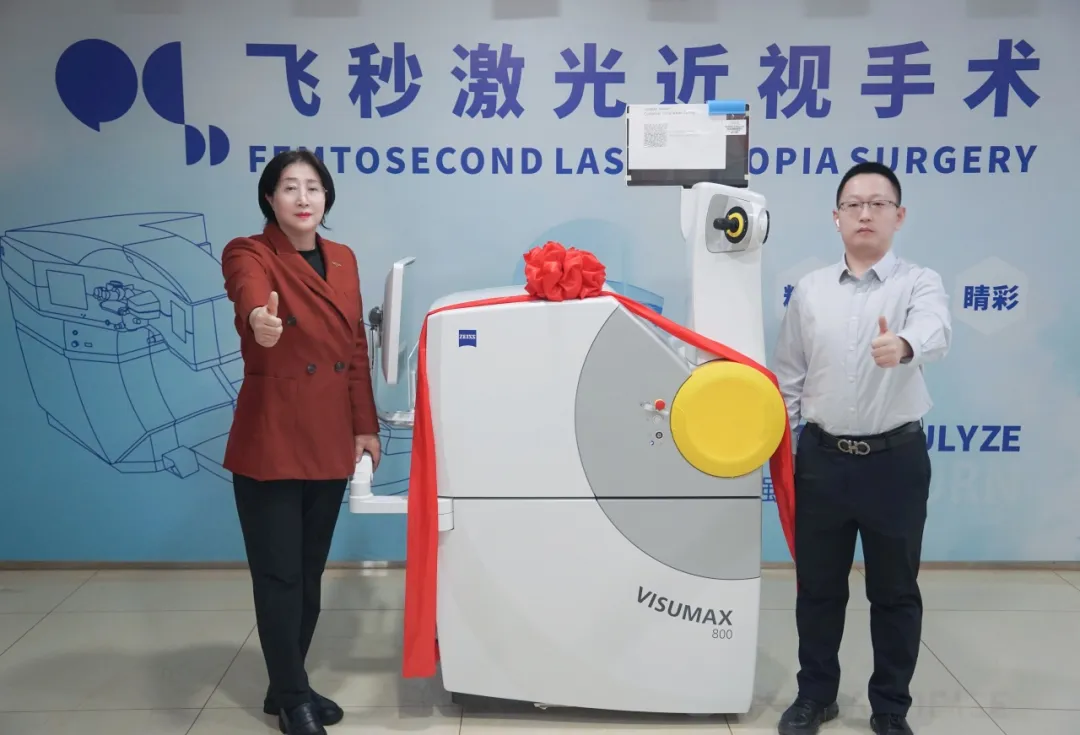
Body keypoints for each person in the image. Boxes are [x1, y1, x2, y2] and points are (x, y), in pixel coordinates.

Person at [771, 162, 952, 735]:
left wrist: (904, 344)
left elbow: (937, 330)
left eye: (878, 203)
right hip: (822, 461)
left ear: (899, 215)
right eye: (853, 204)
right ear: (837, 217)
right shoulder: (810, 290)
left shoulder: (918, 283)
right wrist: (784, 453)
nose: (865, 213)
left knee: (894, 591)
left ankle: (890, 707)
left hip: (895, 463)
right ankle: (815, 694)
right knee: (818, 589)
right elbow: (789, 376)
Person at [221, 149, 382, 735]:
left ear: (326, 196)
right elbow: (248, 294)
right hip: (273, 437)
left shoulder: (343, 258)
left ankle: (286, 684)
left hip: (330, 436)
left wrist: (365, 425)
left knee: (309, 574)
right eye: (289, 187)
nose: (303, 197)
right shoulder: (250, 251)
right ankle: (294, 699)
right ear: (270, 198)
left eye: (313, 186)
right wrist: (257, 322)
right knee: (280, 576)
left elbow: (354, 348)